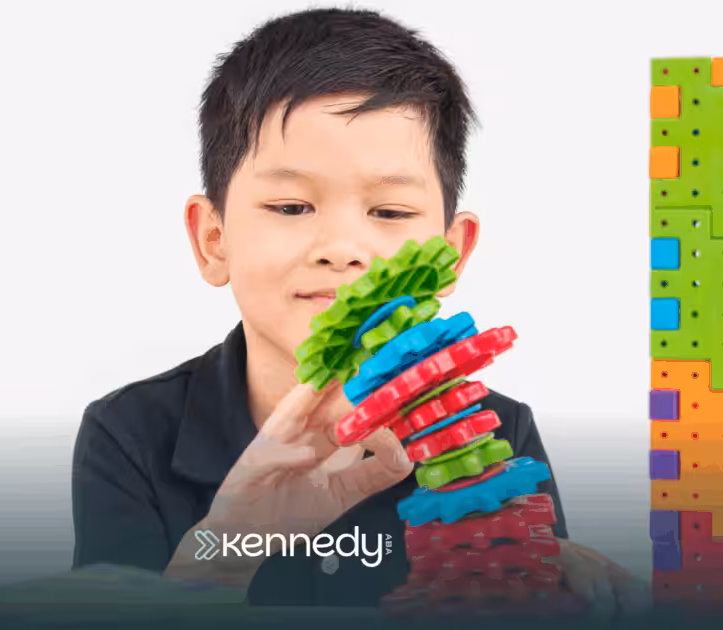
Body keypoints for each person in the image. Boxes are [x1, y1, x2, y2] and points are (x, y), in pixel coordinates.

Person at [71, 6, 648, 616]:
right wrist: (226, 544)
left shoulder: (499, 434)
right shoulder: (130, 434)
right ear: (213, 240)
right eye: (292, 207)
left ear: (449, 255)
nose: (343, 251)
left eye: (391, 213)